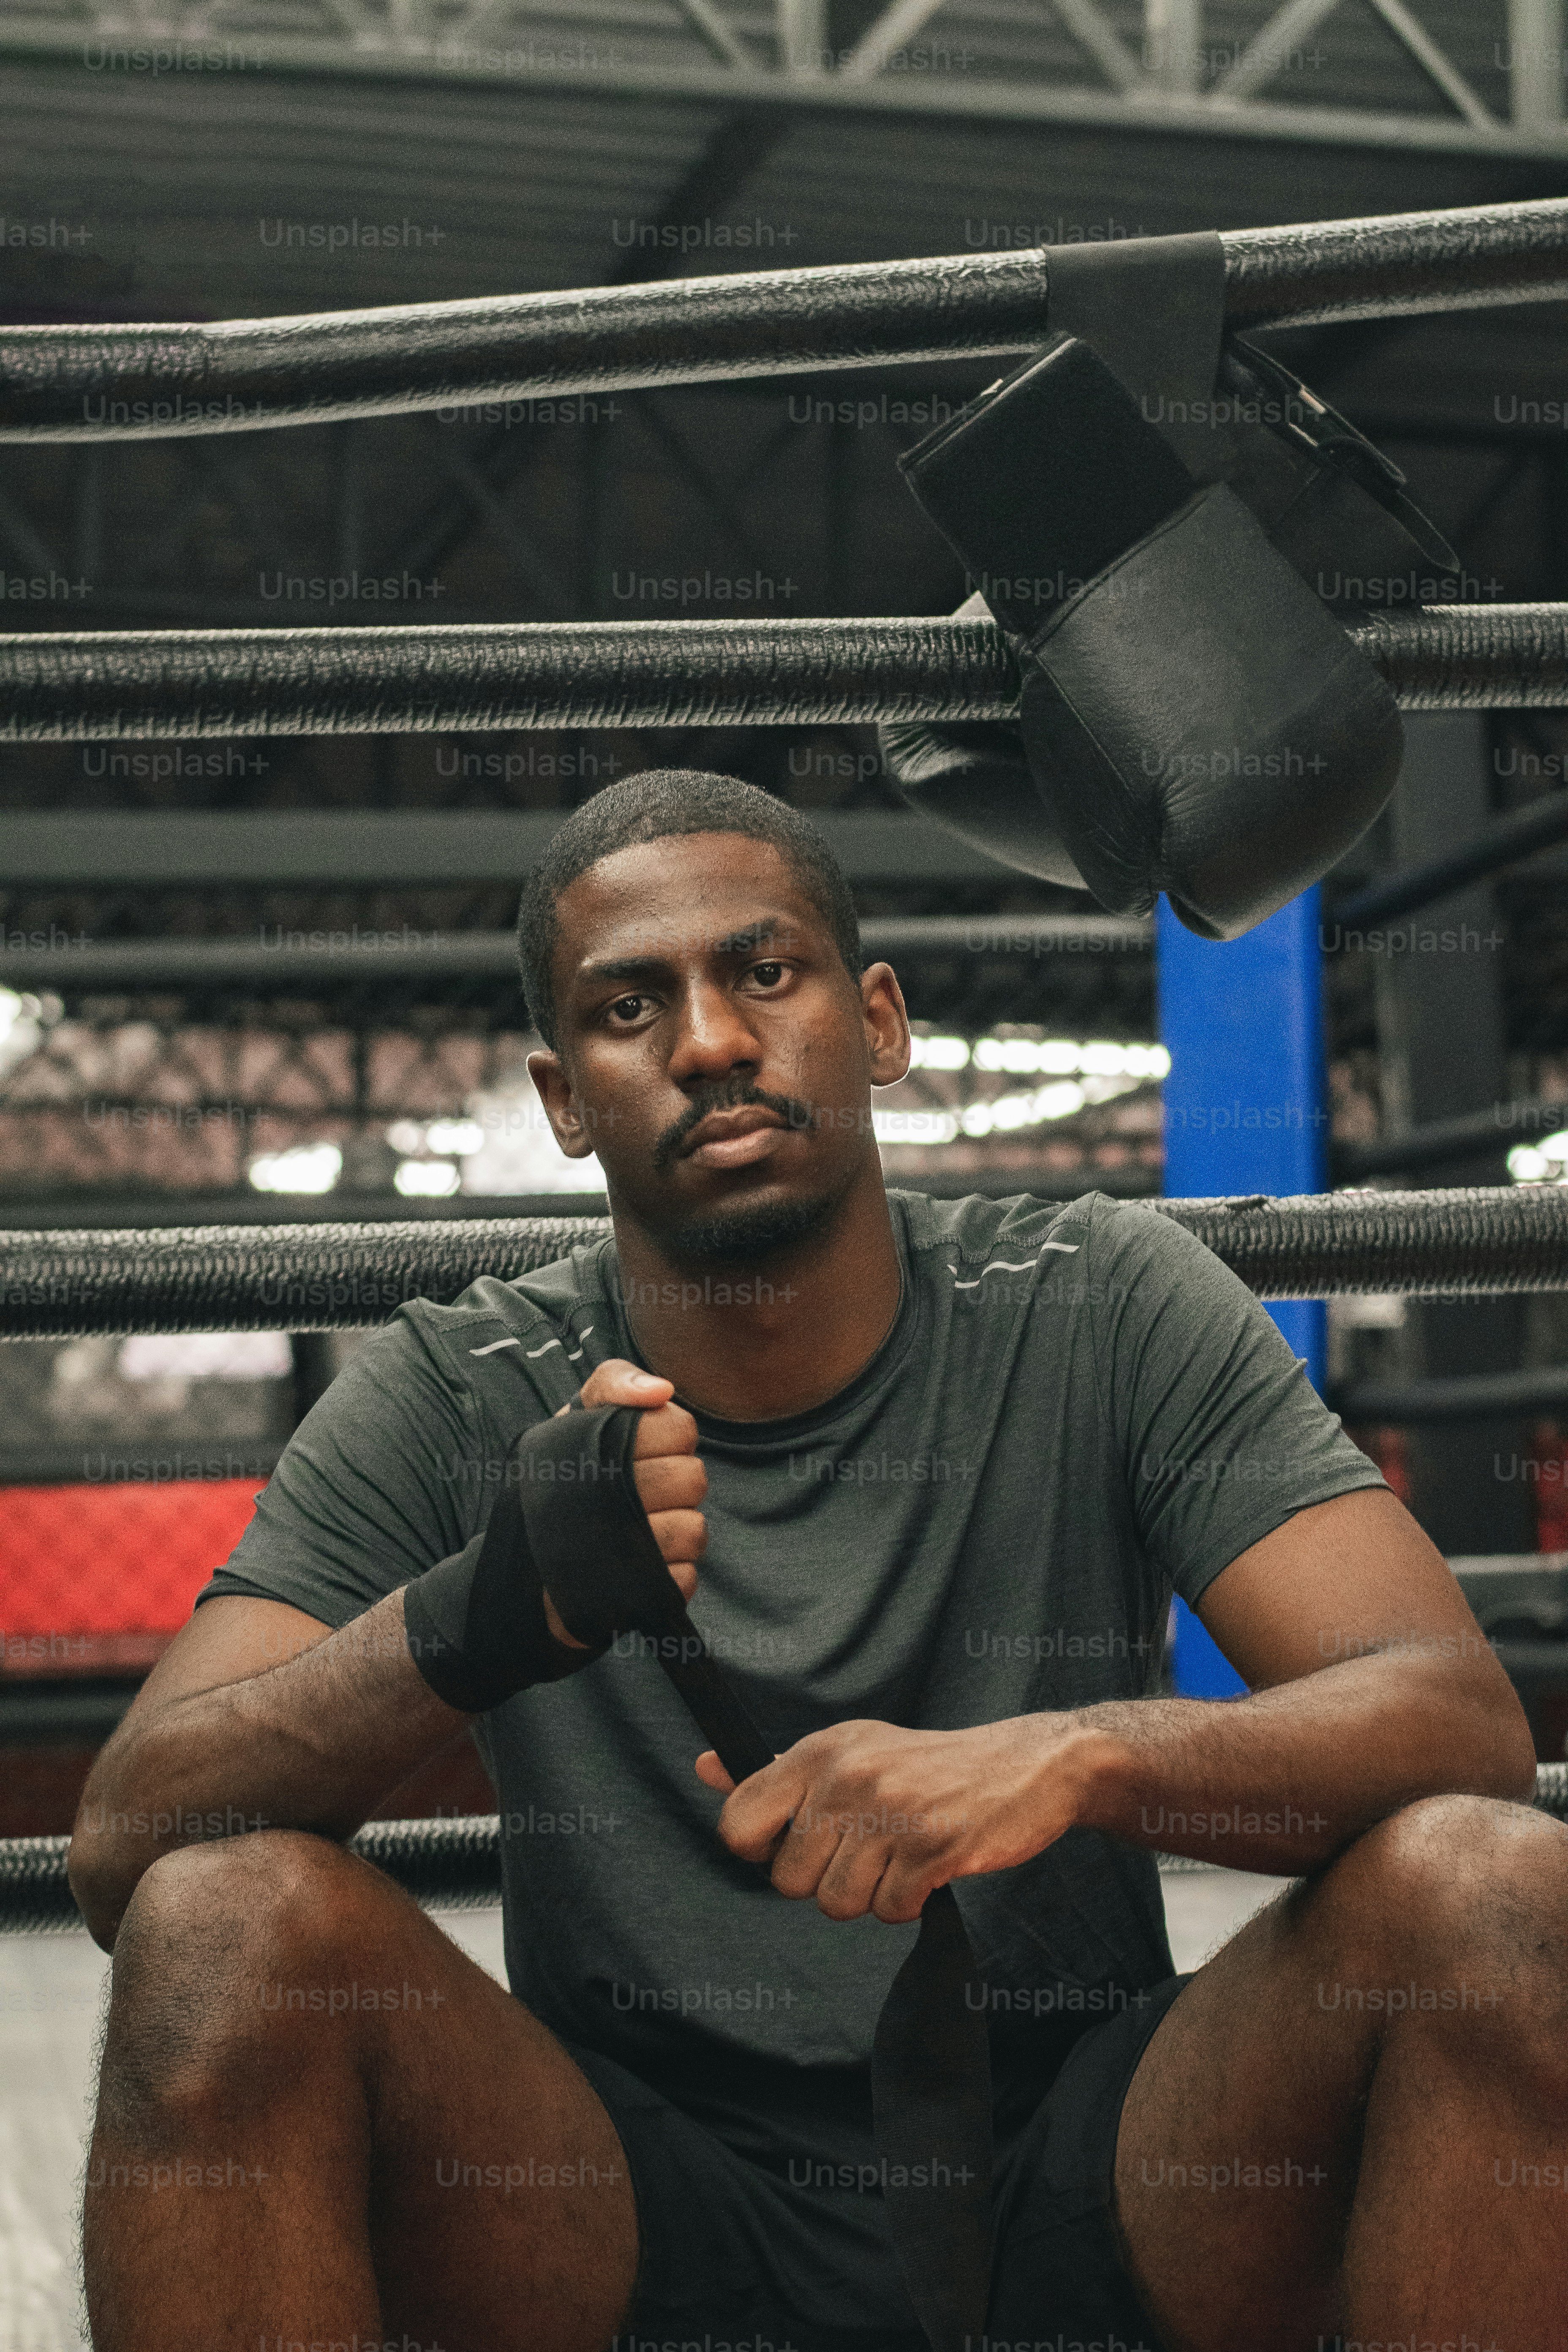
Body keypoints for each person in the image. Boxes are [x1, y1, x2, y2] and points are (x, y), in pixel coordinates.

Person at [71, 769, 1561, 2352]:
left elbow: (1456, 1724)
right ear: (565, 1097)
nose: (711, 1042)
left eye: (762, 973)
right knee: (224, 1927)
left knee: (1493, 1890)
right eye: (632, 1008)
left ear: (881, 1023)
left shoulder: (1101, 1298)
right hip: (636, 2218)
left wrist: (1079, 1752)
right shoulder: (463, 1386)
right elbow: (127, 1843)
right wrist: (469, 1623)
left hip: (1092, 2181)